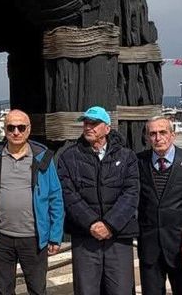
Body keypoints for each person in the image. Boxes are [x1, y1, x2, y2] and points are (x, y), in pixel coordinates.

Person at [57, 106, 139, 295]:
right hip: (85, 236)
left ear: (107, 128)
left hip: (118, 236)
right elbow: (68, 194)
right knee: (87, 290)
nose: (88, 127)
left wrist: (110, 224)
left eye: (94, 124)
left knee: (121, 289)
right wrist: (92, 223)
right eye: (86, 123)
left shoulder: (127, 157)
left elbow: (131, 193)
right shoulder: (69, 157)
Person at [0, 109, 64, 295]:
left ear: (28, 129)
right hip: (0, 237)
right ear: (4, 130)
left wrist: (55, 235)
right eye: (11, 127)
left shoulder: (43, 157)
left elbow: (55, 197)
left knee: (36, 289)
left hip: (34, 237)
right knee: (4, 290)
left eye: (21, 127)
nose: (16, 132)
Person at [136, 116, 182, 295]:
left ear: (173, 135)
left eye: (163, 132)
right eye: (152, 134)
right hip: (150, 249)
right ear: (146, 137)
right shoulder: (137, 162)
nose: (158, 138)